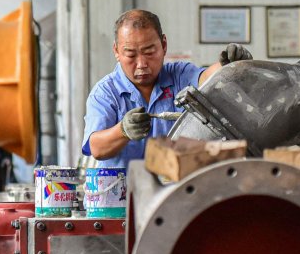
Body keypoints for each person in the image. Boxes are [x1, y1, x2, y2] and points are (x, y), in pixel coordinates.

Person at [82, 9, 251, 168]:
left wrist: (229, 64)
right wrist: (122, 130)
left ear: (163, 45)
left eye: (149, 52)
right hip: (123, 195)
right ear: (116, 51)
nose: (141, 64)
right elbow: (96, 148)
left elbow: (207, 78)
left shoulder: (178, 76)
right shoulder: (105, 93)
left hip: (172, 192)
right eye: (131, 55)